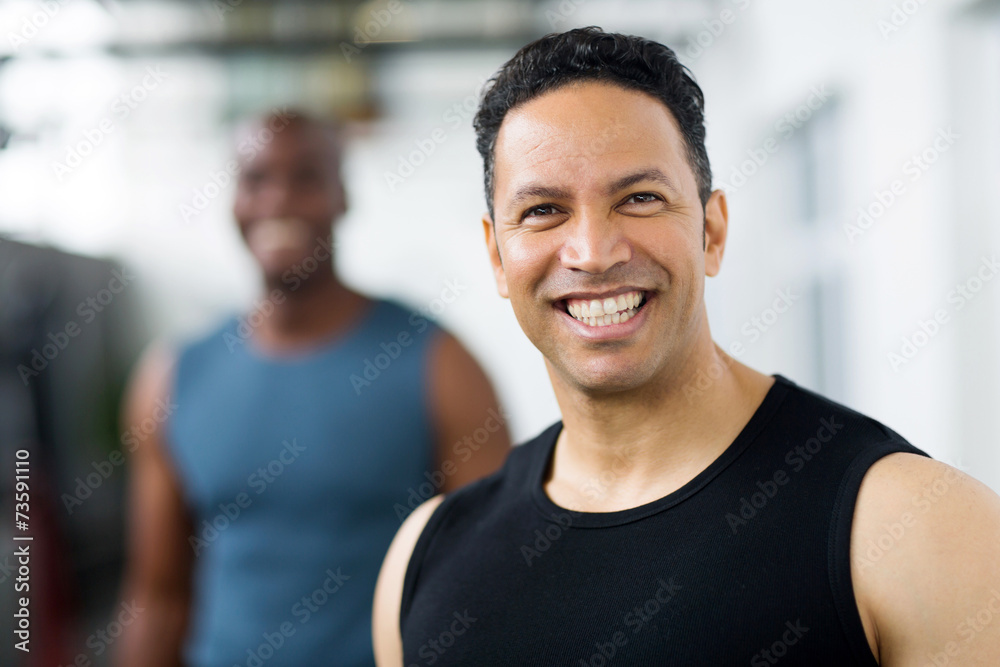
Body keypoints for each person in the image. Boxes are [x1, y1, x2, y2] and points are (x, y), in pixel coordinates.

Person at [373, 27, 1000, 666]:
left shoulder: (916, 530)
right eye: (543, 211)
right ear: (497, 257)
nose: (592, 253)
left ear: (712, 232)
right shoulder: (423, 557)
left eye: (639, 199)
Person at [116, 111, 510, 666]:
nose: (278, 200)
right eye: (256, 179)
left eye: (306, 177)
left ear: (342, 196)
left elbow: (493, 585)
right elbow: (155, 599)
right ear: (234, 200)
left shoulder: (439, 364)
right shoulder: (172, 377)